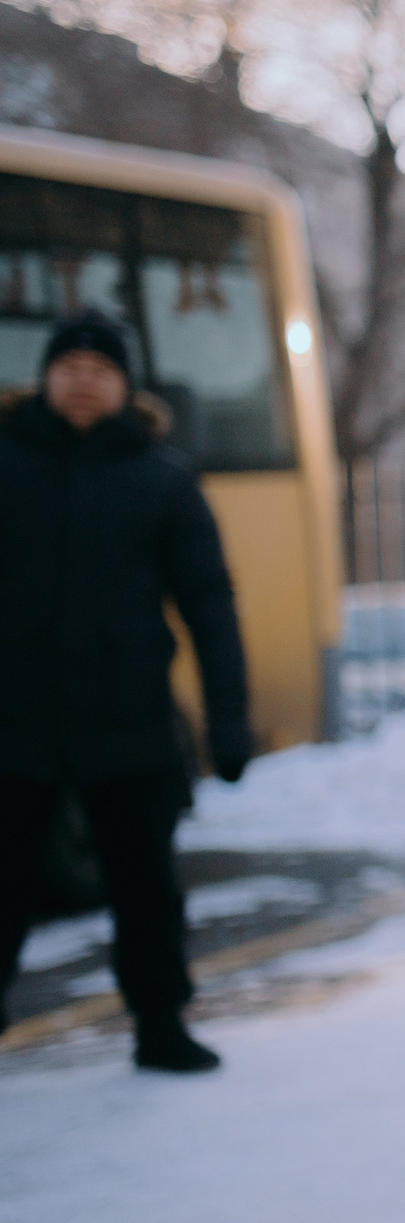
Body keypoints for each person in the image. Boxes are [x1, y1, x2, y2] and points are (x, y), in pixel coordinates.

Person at [0, 308, 249, 1071]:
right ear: (45, 378)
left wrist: (228, 721)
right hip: (15, 720)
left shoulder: (162, 476)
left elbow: (209, 602)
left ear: (125, 385)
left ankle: (160, 1022)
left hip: (129, 718)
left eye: (99, 370)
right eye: (68, 367)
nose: (82, 382)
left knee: (144, 887)